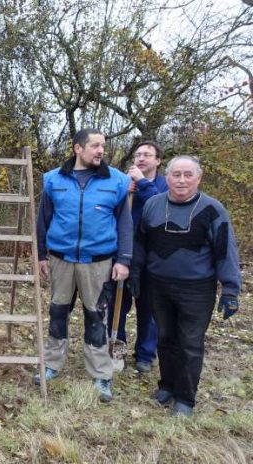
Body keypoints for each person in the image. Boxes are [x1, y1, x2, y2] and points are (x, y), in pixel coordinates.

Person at [133, 155, 241, 416]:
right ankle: (167, 386)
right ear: (166, 177)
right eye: (176, 175)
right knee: (165, 338)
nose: (181, 180)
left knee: (190, 344)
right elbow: (140, 244)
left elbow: (226, 251)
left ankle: (185, 399)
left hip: (197, 290)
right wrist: (135, 274)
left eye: (188, 175)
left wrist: (230, 288)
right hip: (158, 286)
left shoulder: (213, 210)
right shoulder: (153, 206)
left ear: (198, 178)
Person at [34, 128, 132, 402]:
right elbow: (43, 220)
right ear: (78, 148)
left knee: (96, 317)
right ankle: (51, 364)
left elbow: (125, 224)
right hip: (60, 260)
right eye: (95, 146)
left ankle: (101, 374)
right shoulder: (54, 180)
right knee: (57, 313)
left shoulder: (117, 182)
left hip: (98, 263)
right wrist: (41, 255)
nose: (101, 150)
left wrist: (124, 260)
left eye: (103, 145)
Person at [107, 141, 168, 373]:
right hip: (123, 253)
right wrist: (124, 190)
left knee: (149, 310)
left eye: (147, 155)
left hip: (152, 258)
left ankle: (145, 354)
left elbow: (160, 208)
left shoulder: (163, 185)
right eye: (138, 155)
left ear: (158, 160)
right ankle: (116, 351)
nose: (141, 158)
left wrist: (142, 183)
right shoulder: (124, 183)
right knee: (117, 307)